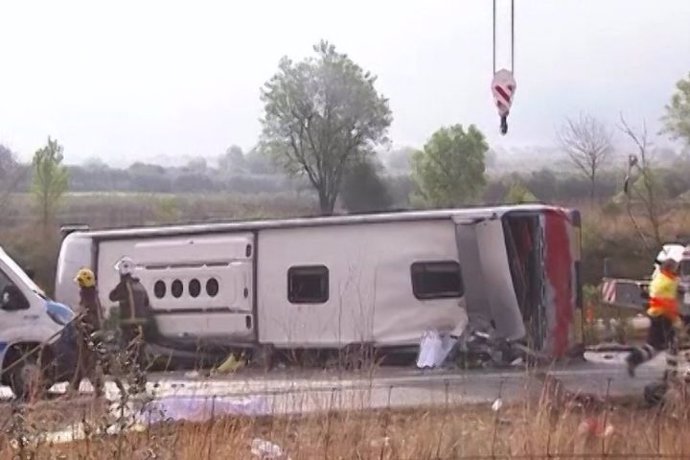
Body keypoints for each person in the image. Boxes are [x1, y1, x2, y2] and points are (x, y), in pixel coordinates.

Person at [626, 258, 683, 377]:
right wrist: (675, 320)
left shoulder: (659, 279)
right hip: (664, 317)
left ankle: (635, 359)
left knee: (657, 345)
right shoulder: (669, 283)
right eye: (676, 268)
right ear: (671, 269)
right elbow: (668, 305)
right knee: (665, 345)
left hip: (655, 315)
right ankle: (671, 373)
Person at [108, 257, 152, 366]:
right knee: (139, 348)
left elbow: (112, 296)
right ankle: (140, 371)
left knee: (127, 347)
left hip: (128, 322)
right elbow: (146, 302)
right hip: (142, 323)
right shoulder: (139, 285)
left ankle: (128, 369)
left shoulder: (123, 285)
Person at [70, 267, 105, 398]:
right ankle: (74, 387)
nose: (78, 286)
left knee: (87, 362)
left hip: (90, 334)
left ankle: (98, 388)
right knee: (82, 361)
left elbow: (92, 317)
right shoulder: (89, 296)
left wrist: (82, 322)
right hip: (87, 333)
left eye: (80, 283)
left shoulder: (89, 299)